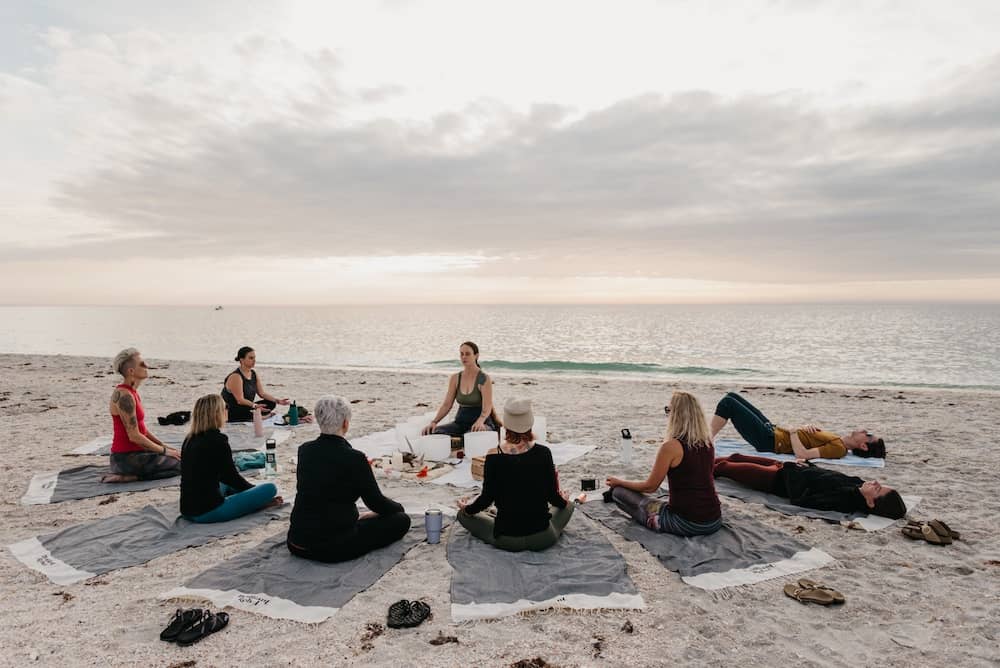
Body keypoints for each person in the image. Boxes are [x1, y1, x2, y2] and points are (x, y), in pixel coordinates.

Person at [287, 395, 410, 563]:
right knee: (401, 521)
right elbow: (376, 502)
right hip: (332, 547)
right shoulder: (355, 458)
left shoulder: (305, 450)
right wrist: (398, 508)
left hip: (296, 542)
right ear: (346, 423)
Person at [457, 398, 584, 551]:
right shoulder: (544, 453)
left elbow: (486, 499)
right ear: (530, 423)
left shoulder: (493, 456)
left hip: (508, 540)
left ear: (507, 425)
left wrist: (467, 509)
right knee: (568, 506)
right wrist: (563, 501)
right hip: (543, 537)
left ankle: (467, 513)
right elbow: (552, 496)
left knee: (462, 515)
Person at [605, 391, 722, 536]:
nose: (667, 415)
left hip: (686, 523)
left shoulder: (671, 447)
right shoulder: (707, 442)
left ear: (676, 415)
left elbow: (650, 486)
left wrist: (620, 482)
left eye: (668, 410)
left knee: (618, 493)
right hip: (714, 520)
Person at [180, 394, 281, 523]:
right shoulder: (218, 440)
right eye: (225, 407)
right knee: (270, 489)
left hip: (187, 508)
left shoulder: (189, 439)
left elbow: (221, 476)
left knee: (223, 484)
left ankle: (245, 499)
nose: (228, 410)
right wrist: (255, 492)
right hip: (208, 511)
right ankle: (256, 504)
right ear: (217, 413)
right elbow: (232, 478)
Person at [713, 453, 906, 518]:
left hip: (776, 480)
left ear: (871, 503)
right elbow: (823, 476)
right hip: (789, 468)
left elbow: (802, 499)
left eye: (878, 489)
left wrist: (791, 469)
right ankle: (697, 457)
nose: (876, 482)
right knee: (735, 457)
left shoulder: (844, 499)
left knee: (723, 467)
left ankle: (690, 466)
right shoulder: (858, 485)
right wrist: (807, 465)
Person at [710, 391, 885, 460]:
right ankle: (707, 437)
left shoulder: (839, 449)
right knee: (732, 396)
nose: (863, 430)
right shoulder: (838, 441)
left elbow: (802, 454)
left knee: (728, 404)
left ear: (863, 445)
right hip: (773, 430)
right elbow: (808, 441)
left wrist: (794, 432)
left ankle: (706, 440)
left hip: (769, 441)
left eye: (868, 434)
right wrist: (805, 428)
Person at [102, 348, 182, 483]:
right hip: (126, 459)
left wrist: (164, 446)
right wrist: (164, 451)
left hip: (138, 454)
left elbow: (142, 429)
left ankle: (133, 474)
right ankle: (130, 477)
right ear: (131, 371)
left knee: (183, 457)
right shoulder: (123, 396)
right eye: (142, 364)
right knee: (184, 466)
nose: (147, 366)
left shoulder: (132, 392)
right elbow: (134, 436)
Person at [421, 341, 499, 436]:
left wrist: (480, 421)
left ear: (476, 356)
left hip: (482, 423)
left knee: (470, 436)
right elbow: (446, 405)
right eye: (461, 354)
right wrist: (434, 422)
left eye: (467, 354)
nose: (464, 357)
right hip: (460, 423)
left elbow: (487, 407)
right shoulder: (455, 378)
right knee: (434, 432)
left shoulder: (483, 378)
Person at [221, 346, 290, 422]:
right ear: (242, 360)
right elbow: (240, 400)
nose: (254, 360)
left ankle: (256, 415)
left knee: (271, 403)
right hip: (233, 410)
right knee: (246, 411)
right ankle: (261, 416)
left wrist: (278, 401)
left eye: (254, 358)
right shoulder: (236, 376)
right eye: (251, 358)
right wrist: (255, 406)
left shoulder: (253, 373)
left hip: (248, 407)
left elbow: (262, 394)